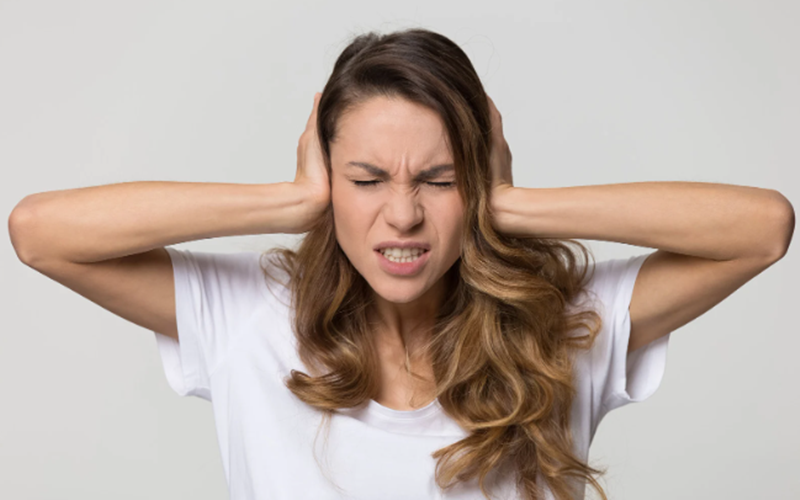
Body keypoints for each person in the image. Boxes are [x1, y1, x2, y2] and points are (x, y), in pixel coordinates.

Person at [9, 28, 792, 500]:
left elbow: (762, 228)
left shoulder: (553, 324)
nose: (405, 214)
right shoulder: (251, 317)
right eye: (367, 179)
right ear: (329, 184)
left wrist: (508, 203)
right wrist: (289, 201)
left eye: (440, 179)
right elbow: (41, 232)